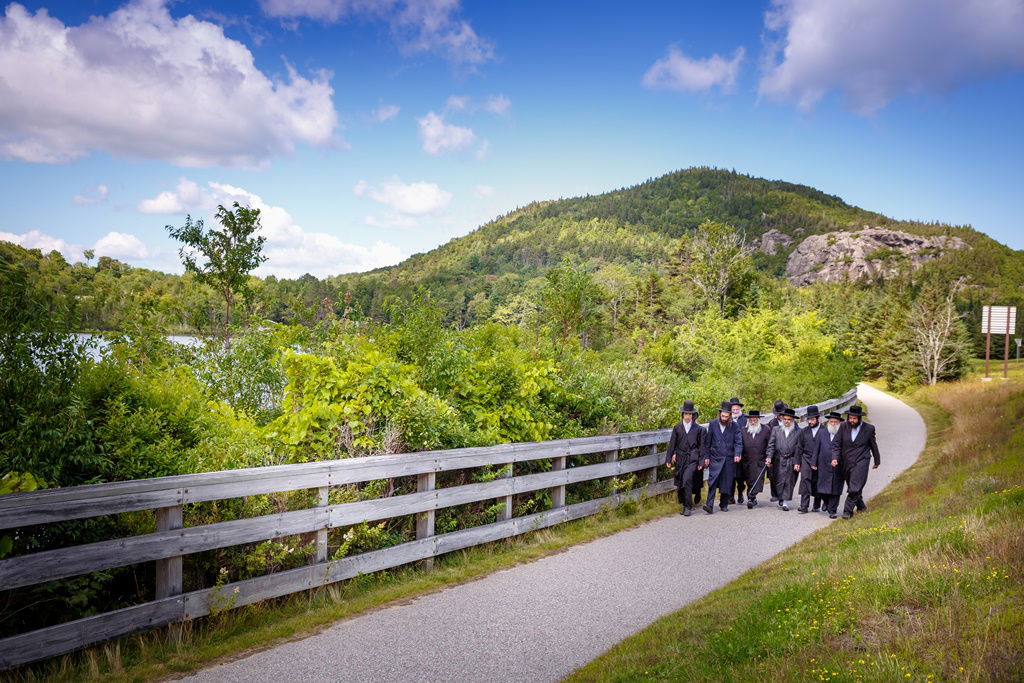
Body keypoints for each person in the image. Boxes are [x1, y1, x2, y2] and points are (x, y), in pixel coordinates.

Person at [832, 404, 881, 519]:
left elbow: (873, 445)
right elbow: (836, 444)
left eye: (854, 418)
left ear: (859, 418)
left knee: (854, 488)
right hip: (846, 461)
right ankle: (861, 507)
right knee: (854, 486)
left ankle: (847, 511)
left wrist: (877, 460)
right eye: (850, 418)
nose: (852, 420)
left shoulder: (869, 429)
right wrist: (835, 458)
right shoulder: (843, 426)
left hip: (861, 460)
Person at [664, 401, 707, 516]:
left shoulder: (699, 429)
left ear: (693, 415)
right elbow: (672, 444)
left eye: (690, 414)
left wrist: (701, 460)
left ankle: (688, 507)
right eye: (686, 414)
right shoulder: (677, 428)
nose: (688, 416)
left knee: (687, 479)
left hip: (693, 458)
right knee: (681, 480)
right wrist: (668, 459)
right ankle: (684, 500)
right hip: (680, 458)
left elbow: (702, 446)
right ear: (683, 414)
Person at [701, 400, 743, 514]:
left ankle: (724, 504)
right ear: (720, 414)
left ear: (730, 416)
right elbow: (707, 443)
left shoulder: (734, 425)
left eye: (726, 416)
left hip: (728, 458)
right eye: (722, 416)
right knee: (712, 481)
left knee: (727, 482)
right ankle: (709, 505)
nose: (724, 418)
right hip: (715, 457)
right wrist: (707, 456)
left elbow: (738, 442)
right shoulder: (713, 424)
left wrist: (737, 454)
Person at [766, 407, 800, 511]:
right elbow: (771, 445)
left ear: (792, 420)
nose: (786, 421)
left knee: (789, 482)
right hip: (778, 459)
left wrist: (797, 462)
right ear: (782, 419)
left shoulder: (798, 432)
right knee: (779, 480)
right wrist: (769, 457)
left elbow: (799, 448)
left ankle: (785, 502)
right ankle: (780, 497)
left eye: (789, 419)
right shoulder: (776, 430)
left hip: (791, 460)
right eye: (785, 419)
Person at [796, 405, 827, 513]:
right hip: (806, 458)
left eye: (812, 419)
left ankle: (817, 504)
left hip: (820, 459)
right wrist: (797, 462)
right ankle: (804, 505)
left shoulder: (824, 431)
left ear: (818, 419)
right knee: (805, 480)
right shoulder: (804, 431)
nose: (810, 421)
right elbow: (799, 447)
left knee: (817, 481)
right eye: (808, 419)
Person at [740, 408, 772, 508]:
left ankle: (751, 497)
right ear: (748, 420)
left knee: (757, 479)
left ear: (758, 420)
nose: (753, 422)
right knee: (749, 480)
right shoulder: (743, 430)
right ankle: (752, 498)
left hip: (760, 460)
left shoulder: (766, 430)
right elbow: (739, 445)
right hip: (746, 460)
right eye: (751, 420)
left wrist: (769, 457)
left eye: (755, 420)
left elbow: (770, 445)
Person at [816, 411, 844, 519]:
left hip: (838, 465)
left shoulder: (843, 433)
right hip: (823, 464)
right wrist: (813, 462)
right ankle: (826, 502)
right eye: (831, 422)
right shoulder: (822, 432)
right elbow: (816, 448)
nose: (833, 424)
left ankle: (833, 510)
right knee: (822, 488)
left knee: (835, 489)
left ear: (839, 423)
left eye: (835, 422)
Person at [767, 400, 787, 501]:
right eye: (780, 414)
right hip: (774, 452)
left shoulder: (789, 422)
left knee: (783, 474)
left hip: (786, 451)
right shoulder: (771, 424)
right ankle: (774, 494)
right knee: (772, 474)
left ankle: (783, 494)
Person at [728, 397, 746, 504]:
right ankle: (731, 496)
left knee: (740, 476)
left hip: (742, 452)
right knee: (731, 475)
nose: (735, 411)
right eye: (733, 410)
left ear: (740, 409)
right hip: (730, 452)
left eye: (737, 409)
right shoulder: (727, 420)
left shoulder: (744, 419)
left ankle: (740, 493)